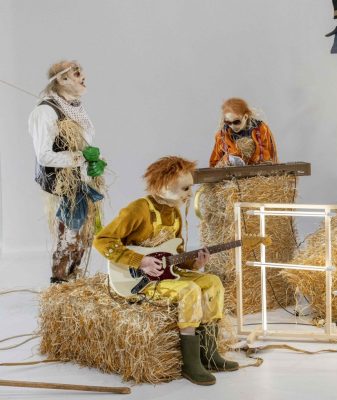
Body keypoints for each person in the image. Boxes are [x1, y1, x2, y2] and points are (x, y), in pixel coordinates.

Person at [93, 156, 237, 385]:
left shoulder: (175, 213)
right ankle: (191, 364)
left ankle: (210, 354)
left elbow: (174, 254)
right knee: (189, 290)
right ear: (162, 187)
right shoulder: (138, 209)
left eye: (190, 188)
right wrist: (140, 261)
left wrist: (194, 263)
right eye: (185, 188)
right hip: (142, 280)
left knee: (212, 282)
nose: (189, 193)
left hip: (166, 273)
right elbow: (102, 240)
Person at [29, 60, 107, 284]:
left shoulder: (74, 107)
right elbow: (44, 156)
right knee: (68, 238)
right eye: (77, 74)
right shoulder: (45, 111)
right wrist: (81, 157)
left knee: (84, 237)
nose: (83, 78)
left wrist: (97, 162)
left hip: (82, 181)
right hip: (64, 186)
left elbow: (83, 145)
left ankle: (74, 280)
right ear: (62, 80)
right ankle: (60, 283)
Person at [209, 97, 278, 168]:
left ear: (245, 117)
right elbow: (214, 164)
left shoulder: (261, 130)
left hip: (258, 173)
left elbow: (271, 156)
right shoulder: (222, 136)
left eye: (236, 122)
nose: (232, 126)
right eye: (228, 122)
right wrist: (224, 162)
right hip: (232, 174)